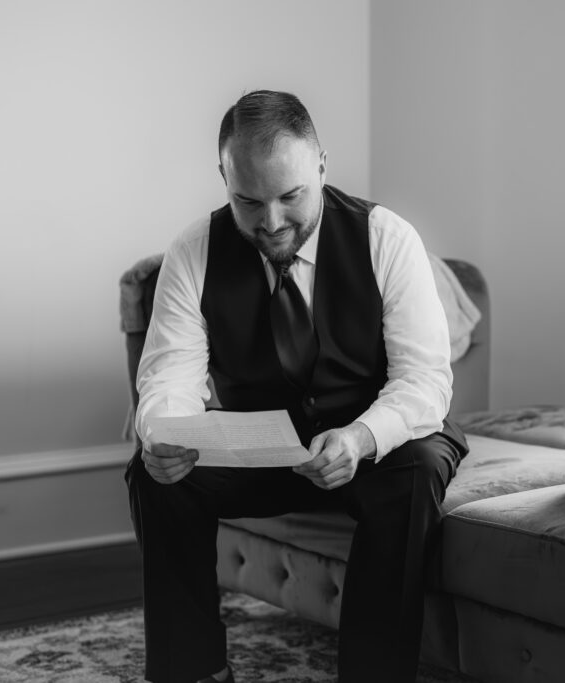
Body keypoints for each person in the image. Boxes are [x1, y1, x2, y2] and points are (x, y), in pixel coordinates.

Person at [125, 90, 468, 683]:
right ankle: (194, 671)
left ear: (322, 165)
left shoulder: (387, 238)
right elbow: (168, 376)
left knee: (418, 469)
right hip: (264, 449)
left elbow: (424, 382)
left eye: (291, 197)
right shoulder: (193, 251)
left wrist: (360, 438)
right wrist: (162, 434)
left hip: (376, 449)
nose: (272, 221)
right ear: (224, 178)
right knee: (157, 477)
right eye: (249, 201)